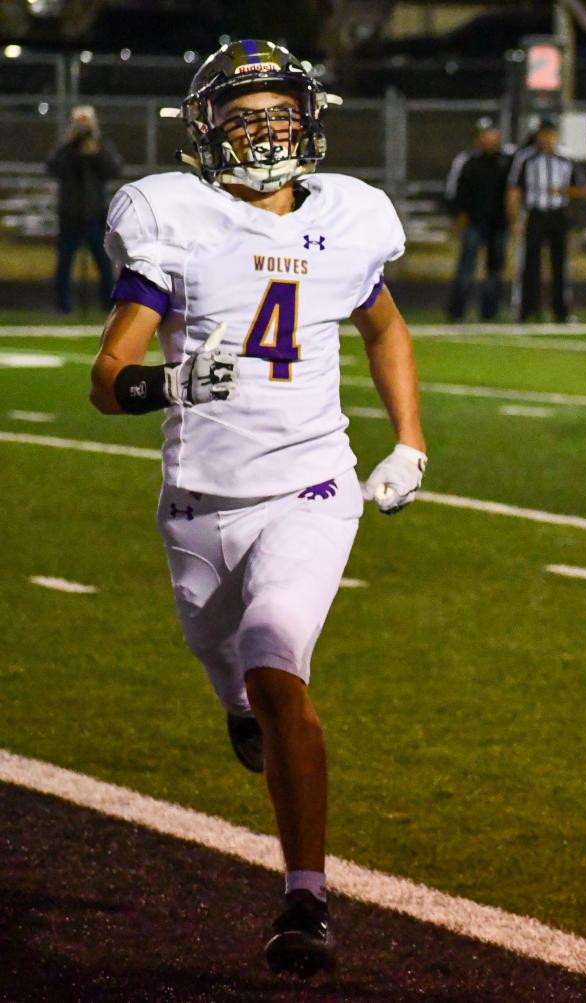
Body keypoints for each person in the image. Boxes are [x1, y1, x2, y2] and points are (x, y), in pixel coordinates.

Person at [88, 39, 428, 979]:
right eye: (242, 116)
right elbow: (107, 379)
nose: (264, 129)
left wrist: (411, 439)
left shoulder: (350, 217)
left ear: (310, 121)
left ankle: (306, 898)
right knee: (239, 682)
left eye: (279, 111)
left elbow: (384, 322)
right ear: (207, 133)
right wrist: (174, 382)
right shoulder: (178, 218)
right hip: (198, 506)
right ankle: (244, 707)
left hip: (309, 484)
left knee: (279, 666)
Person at [506, 119, 586, 322]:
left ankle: (561, 311)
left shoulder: (566, 158)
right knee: (530, 265)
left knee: (560, 266)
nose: (545, 139)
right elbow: (514, 190)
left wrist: (563, 192)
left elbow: (582, 189)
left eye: (549, 134)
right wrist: (515, 220)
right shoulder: (525, 158)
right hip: (535, 213)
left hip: (558, 214)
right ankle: (525, 310)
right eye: (542, 134)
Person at [47, 104, 123, 313]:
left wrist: (96, 152)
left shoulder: (100, 144)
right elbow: (53, 167)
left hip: (94, 213)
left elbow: (114, 168)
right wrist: (71, 146)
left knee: (104, 262)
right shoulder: (66, 147)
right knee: (64, 262)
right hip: (70, 214)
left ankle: (108, 305)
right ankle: (63, 306)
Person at [445, 116, 511, 321]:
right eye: (483, 134)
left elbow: (513, 191)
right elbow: (455, 192)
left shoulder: (506, 161)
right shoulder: (467, 161)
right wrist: (458, 217)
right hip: (474, 222)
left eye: (490, 133)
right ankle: (458, 311)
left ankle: (489, 312)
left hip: (498, 223)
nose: (487, 138)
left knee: (495, 270)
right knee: (466, 269)